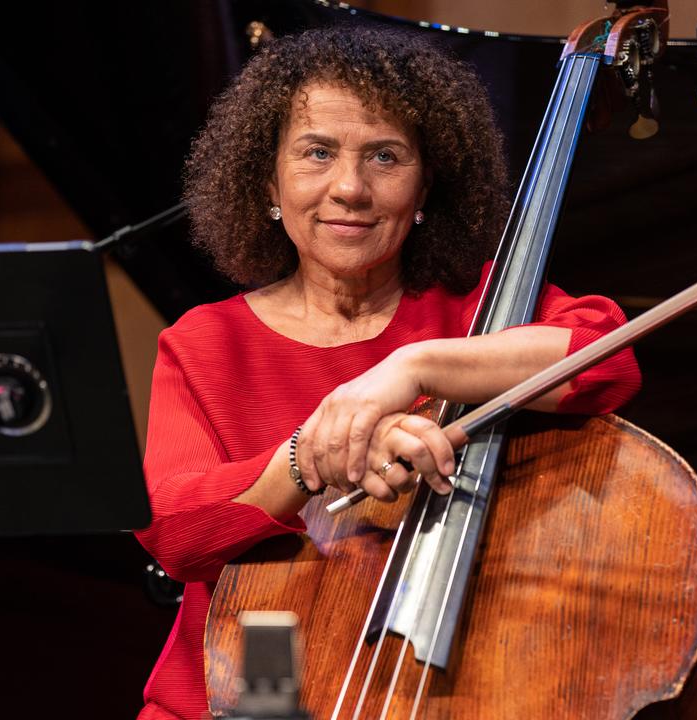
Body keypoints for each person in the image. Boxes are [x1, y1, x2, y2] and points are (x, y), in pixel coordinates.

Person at [134, 25, 641, 720]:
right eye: (317, 153)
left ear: (425, 187)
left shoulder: (481, 308)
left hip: (441, 690)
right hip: (240, 694)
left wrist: (417, 365)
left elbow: (607, 356)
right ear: (269, 182)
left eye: (385, 157)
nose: (350, 188)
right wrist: (317, 458)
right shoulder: (205, 342)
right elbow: (175, 530)